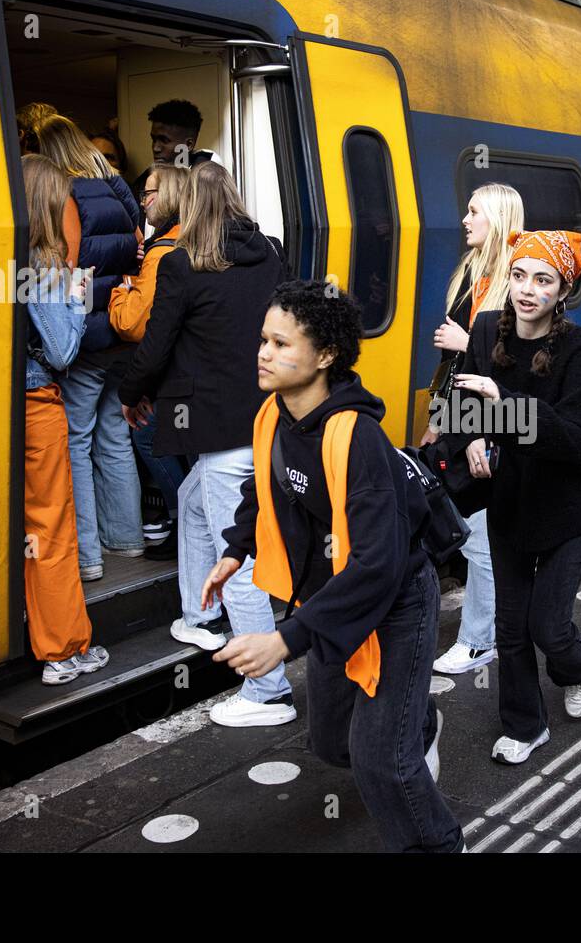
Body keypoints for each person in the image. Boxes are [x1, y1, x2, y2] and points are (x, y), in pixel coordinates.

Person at [204, 279, 463, 853]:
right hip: (331, 599)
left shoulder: (358, 437)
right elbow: (267, 491)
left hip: (395, 602)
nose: (264, 354)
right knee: (330, 744)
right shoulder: (275, 413)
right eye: (263, 340)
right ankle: (421, 723)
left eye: (280, 343)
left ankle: (440, 843)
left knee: (381, 762)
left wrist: (284, 640)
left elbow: (378, 564)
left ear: (324, 357)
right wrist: (233, 550)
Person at [118, 162, 293, 728]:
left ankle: (269, 690)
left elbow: (157, 344)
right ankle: (199, 613)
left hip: (219, 433)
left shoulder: (181, 264)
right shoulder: (269, 251)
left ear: (188, 206)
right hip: (267, 419)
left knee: (236, 561)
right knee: (193, 502)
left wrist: (130, 391)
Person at [450, 230, 581, 765]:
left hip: (568, 508)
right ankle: (525, 724)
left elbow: (572, 439)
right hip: (510, 505)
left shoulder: (580, 350)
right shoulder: (488, 329)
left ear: (563, 291)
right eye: (519, 276)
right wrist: (472, 436)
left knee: (549, 627)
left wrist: (504, 401)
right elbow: (457, 405)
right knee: (511, 629)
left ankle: (579, 664)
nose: (527, 290)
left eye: (543, 280)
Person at [37, 114, 146, 582]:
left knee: (76, 440)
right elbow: (139, 247)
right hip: (123, 328)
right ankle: (128, 538)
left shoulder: (61, 193)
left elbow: (67, 266)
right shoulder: (117, 186)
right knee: (115, 435)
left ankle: (89, 556)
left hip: (88, 336)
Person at [423, 183, 524, 676]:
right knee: (463, 532)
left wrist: (469, 343)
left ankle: (480, 639)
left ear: (499, 219)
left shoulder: (519, 286)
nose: (464, 220)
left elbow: (518, 374)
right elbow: (449, 367)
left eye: (473, 212)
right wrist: (435, 421)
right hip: (458, 425)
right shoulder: (469, 274)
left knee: (481, 541)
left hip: (489, 429)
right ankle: (495, 626)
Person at [20, 153, 110, 685]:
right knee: (52, 528)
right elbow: (60, 351)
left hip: (5, 404)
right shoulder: (43, 262)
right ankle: (63, 650)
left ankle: (52, 636)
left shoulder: (0, 256)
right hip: (38, 403)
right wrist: (78, 298)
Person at [109, 163, 191, 558]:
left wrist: (121, 290)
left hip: (171, 376)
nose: (144, 200)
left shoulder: (160, 253)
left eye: (150, 192)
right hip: (193, 372)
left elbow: (133, 325)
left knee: (144, 431)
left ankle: (184, 519)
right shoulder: (192, 238)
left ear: (170, 195)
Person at [130, 99, 219, 205]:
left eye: (164, 140)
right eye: (154, 139)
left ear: (188, 145)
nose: (155, 148)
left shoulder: (206, 172)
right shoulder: (143, 183)